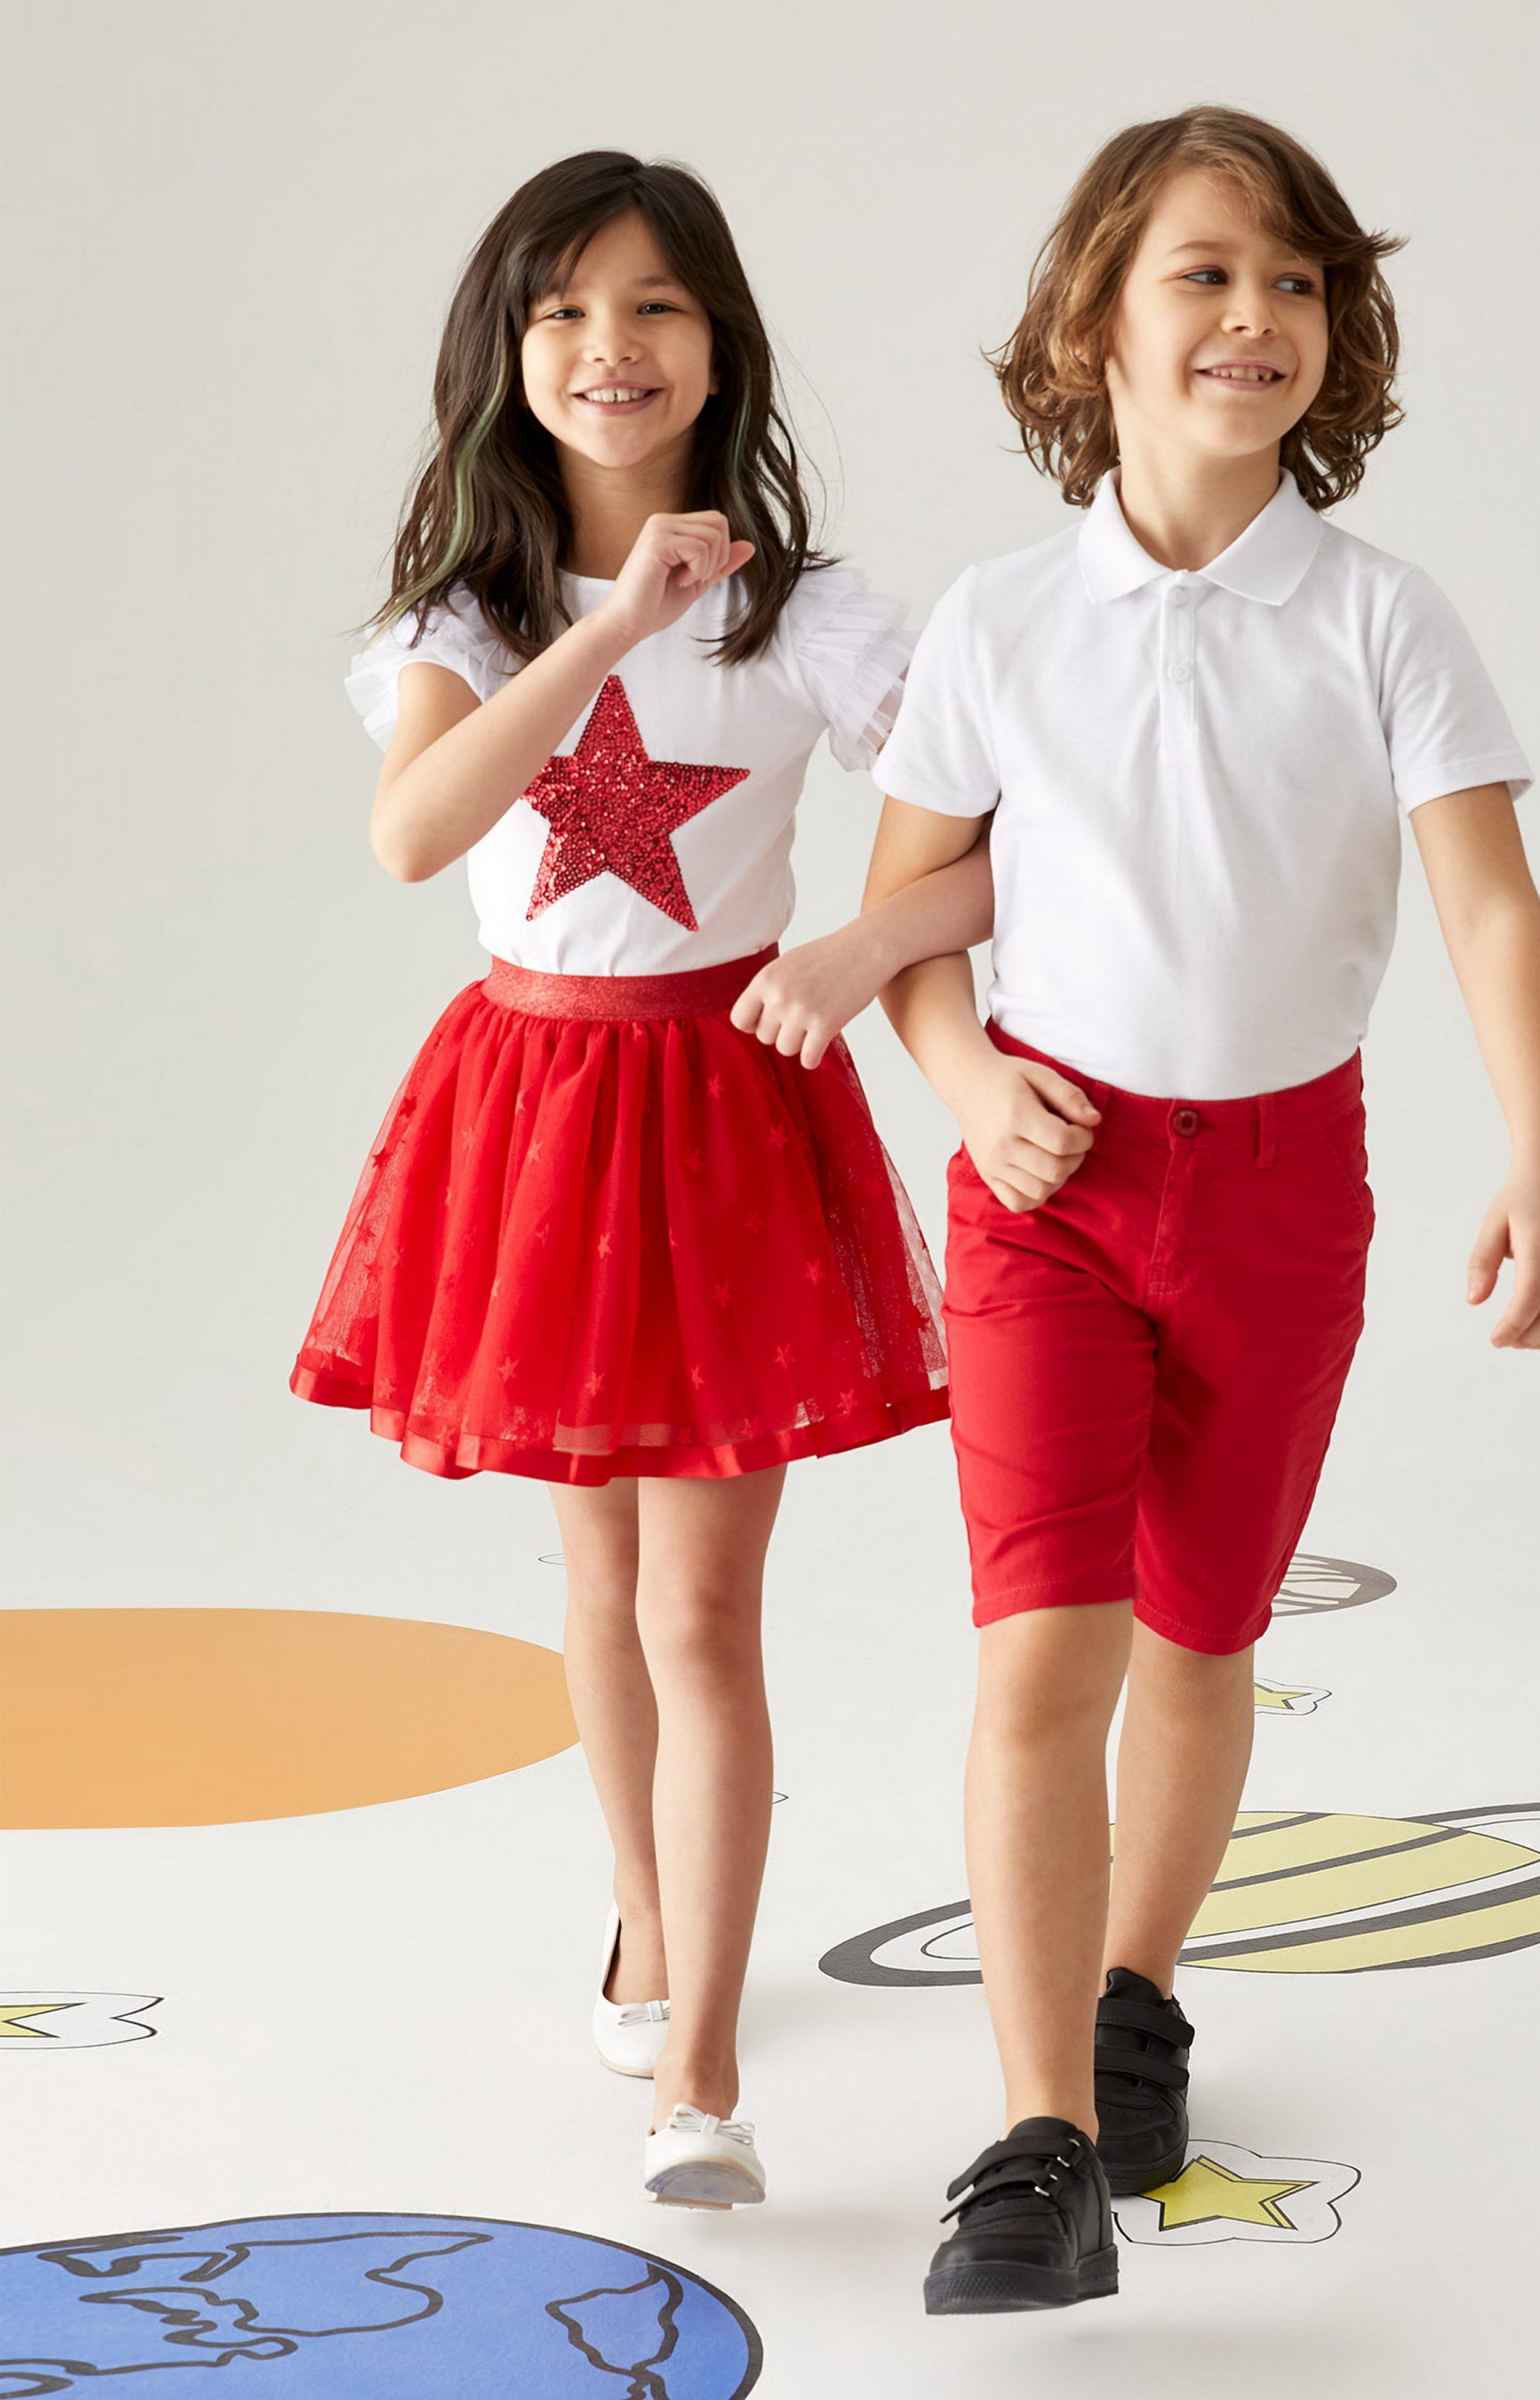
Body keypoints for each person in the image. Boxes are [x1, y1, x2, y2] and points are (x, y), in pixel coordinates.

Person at [751, 102, 1540, 2312]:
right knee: (1043, 1645)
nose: (1252, 316)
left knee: (1201, 1641)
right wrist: (969, 1083)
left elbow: (1487, 909)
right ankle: (1033, 2137)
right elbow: (910, 912)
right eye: (1201, 276)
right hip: (1049, 1196)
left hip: (1282, 1194)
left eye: (1292, 280)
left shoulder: (1381, 617)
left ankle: (1134, 1998)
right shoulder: (1001, 620)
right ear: (1091, 330)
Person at [290, 150, 987, 2212]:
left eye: (656, 306)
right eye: (565, 312)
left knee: (701, 1601)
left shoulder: (813, 617)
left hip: (725, 1110)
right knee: (594, 1585)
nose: (612, 347)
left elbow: (1014, 829)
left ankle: (702, 2074)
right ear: (505, 357)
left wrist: (857, 947)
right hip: (532, 1113)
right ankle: (646, 1912)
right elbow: (413, 835)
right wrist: (610, 627)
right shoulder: (462, 619)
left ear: (719, 346)